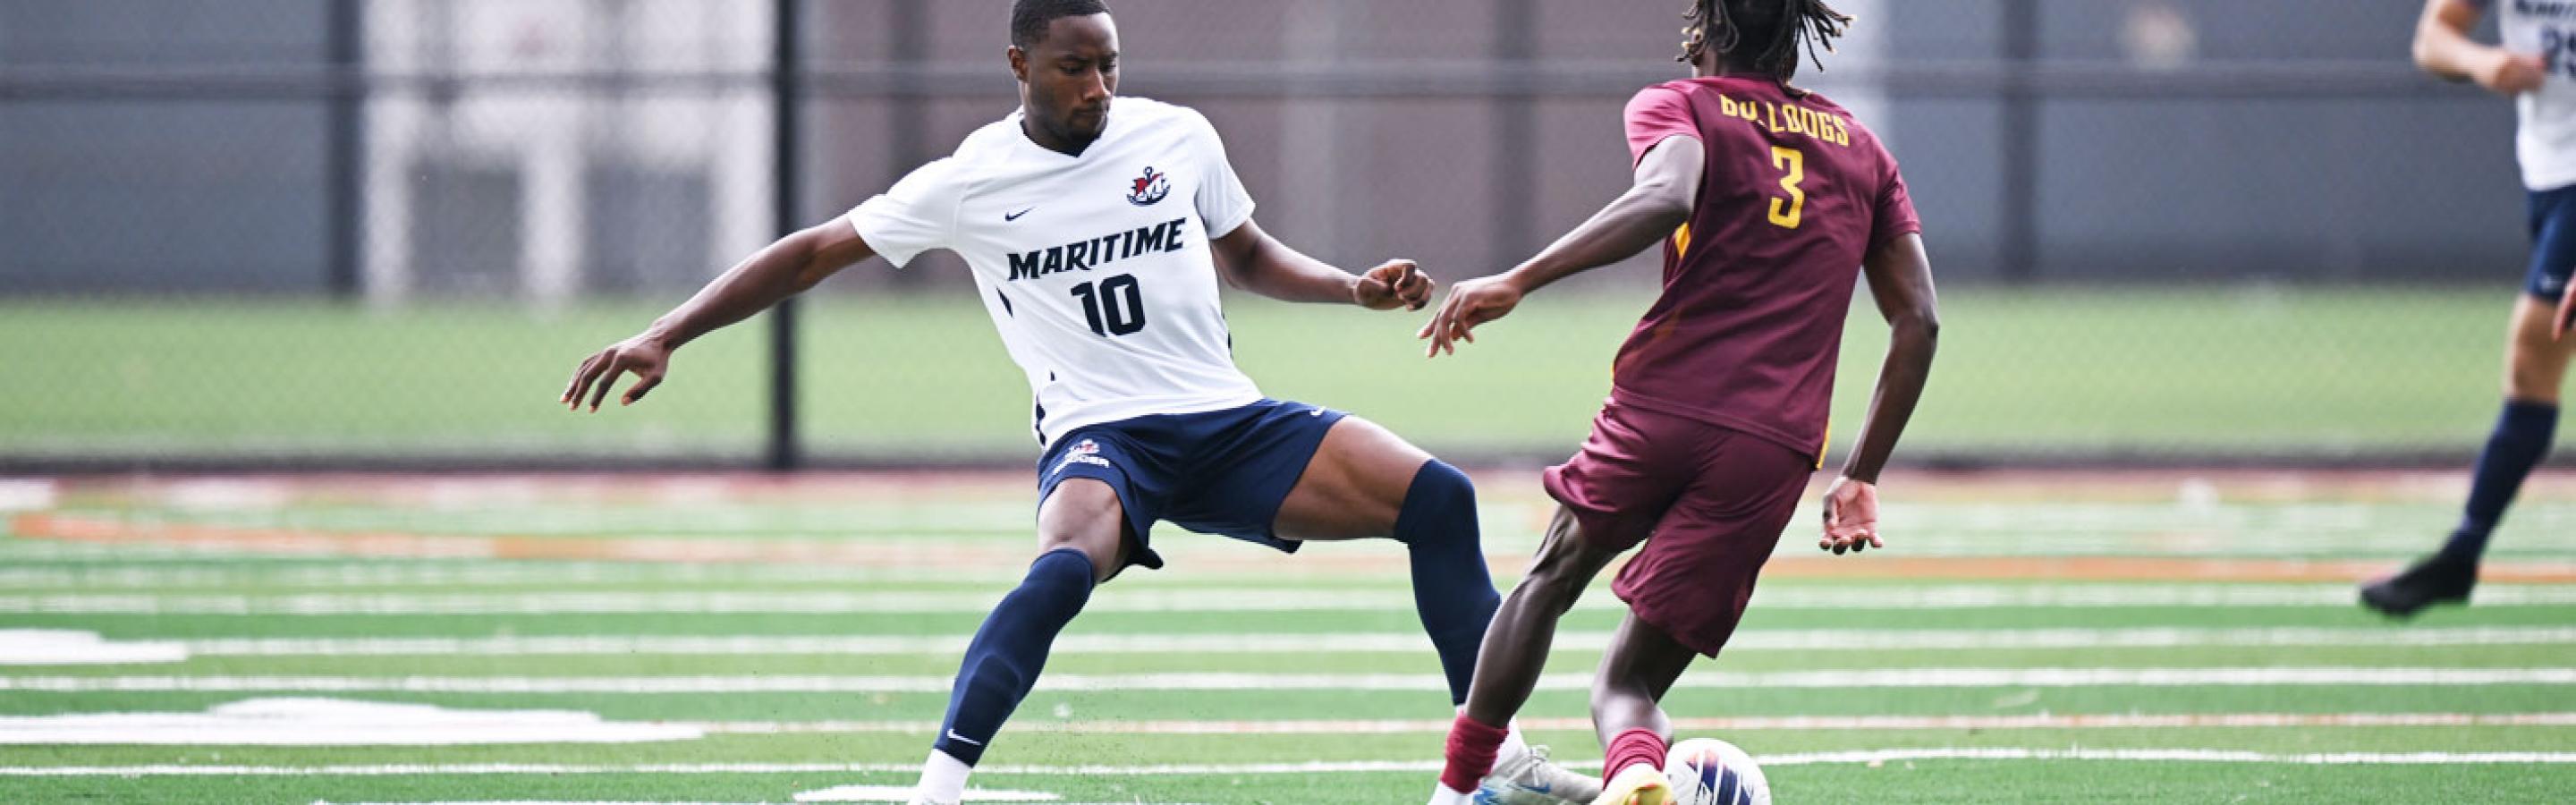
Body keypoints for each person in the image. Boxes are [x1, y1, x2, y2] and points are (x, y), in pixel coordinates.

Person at [558, 3, 1596, 803]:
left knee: (1439, 500)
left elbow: (1246, 254)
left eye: (1108, 63)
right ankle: (941, 785)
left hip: (1226, 422)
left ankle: (1491, 757)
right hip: (1104, 438)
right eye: (1073, 66)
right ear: (1019, 66)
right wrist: (666, 331)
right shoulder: (969, 179)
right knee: (1062, 565)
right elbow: (812, 253)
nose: (1097, 84)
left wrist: (1350, 288)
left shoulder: (1176, 137)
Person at [1413, 1, 1938, 802]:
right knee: (1629, 685)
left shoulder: (1682, 105)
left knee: (1550, 577)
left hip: (1663, 403)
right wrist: (1861, 472)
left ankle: (1456, 792)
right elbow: (1919, 322)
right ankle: (1635, 771)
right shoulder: (1863, 149)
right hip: (1773, 445)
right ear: (1797, 38)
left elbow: (1666, 197)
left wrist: (1519, 278)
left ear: (1706, 33)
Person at [2363, 0, 2576, 618]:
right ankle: (2463, 552)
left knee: (2533, 345)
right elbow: (2434, 36)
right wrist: (2484, 63)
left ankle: (2463, 549)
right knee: (2532, 373)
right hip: (2546, 176)